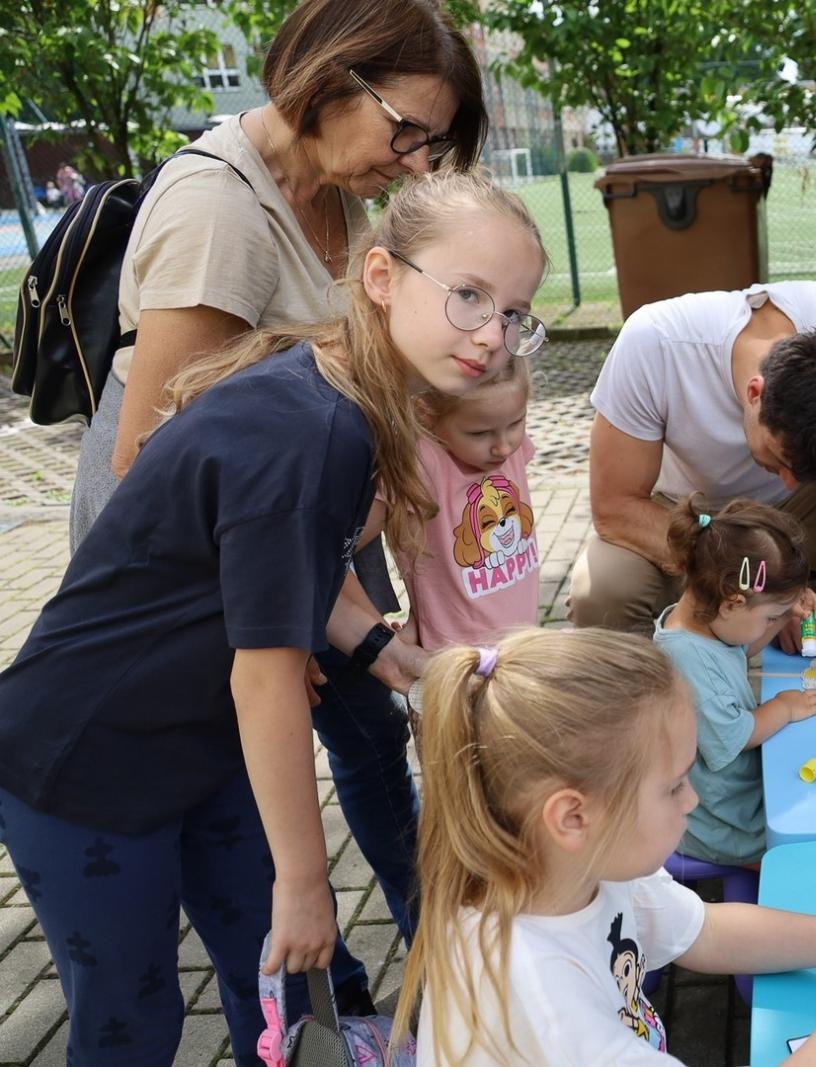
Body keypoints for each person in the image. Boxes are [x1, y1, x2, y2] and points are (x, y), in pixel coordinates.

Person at [0, 169, 549, 1066]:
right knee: (133, 1022)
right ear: (381, 277)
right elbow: (263, 677)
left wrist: (388, 650)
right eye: (468, 296)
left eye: (514, 311)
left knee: (292, 971)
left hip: (196, 744)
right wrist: (306, 878)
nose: (493, 336)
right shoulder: (313, 430)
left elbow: (301, 570)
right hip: (83, 764)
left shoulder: (345, 393)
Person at [67, 0, 488, 943]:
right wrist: (271, 629)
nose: (417, 160)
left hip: (300, 506)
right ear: (333, 78)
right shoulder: (221, 210)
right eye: (409, 130)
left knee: (371, 727)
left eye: (434, 143)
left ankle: (434, 938)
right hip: (211, 534)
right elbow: (151, 455)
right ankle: (300, 974)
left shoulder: (332, 186)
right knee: (254, 762)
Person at [393, 627, 816, 1065]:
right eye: (675, 784)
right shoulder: (534, 992)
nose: (692, 802)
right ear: (573, 816)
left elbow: (705, 932)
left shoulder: (580, 870)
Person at [573, 280, 816, 680]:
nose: (788, 482)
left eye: (804, 471)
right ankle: (660, 705)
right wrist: (767, 585)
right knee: (603, 589)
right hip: (687, 516)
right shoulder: (655, 343)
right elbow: (615, 507)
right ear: (754, 393)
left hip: (806, 513)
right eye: (782, 460)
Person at [654, 496, 816, 865]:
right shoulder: (686, 660)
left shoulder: (702, 626)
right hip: (724, 824)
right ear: (732, 603)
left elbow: (738, 651)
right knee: (806, 849)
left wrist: (779, 615)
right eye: (769, 617)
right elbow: (738, 736)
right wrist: (783, 708)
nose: (771, 625)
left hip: (731, 796)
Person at [364, 353, 544, 658]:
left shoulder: (508, 447)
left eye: (517, 422)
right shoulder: (420, 462)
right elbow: (340, 547)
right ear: (425, 415)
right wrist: (373, 631)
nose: (504, 445)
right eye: (479, 433)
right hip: (455, 659)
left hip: (523, 646)